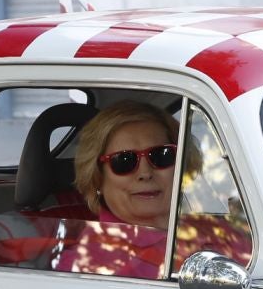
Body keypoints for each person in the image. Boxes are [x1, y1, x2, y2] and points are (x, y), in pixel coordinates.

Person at [54, 101, 180, 279]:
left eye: (161, 156)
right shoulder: (88, 264)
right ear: (97, 178)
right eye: (124, 161)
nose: (145, 173)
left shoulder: (205, 228)